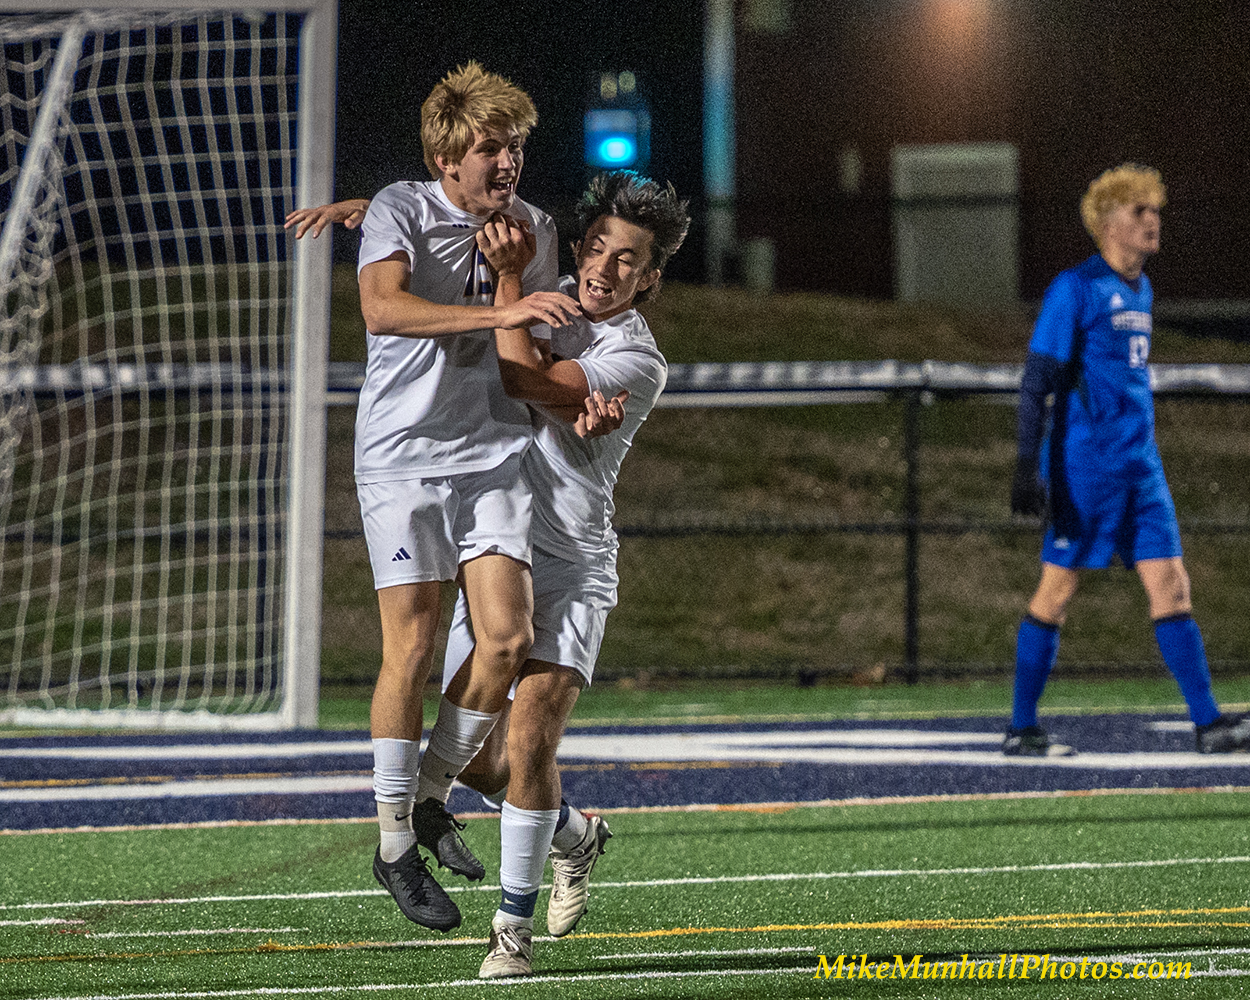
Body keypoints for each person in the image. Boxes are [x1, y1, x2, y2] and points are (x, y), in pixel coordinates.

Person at [286, 61, 582, 935]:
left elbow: (526, 350)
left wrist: (556, 350)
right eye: (490, 148)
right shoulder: (400, 208)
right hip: (404, 460)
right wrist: (499, 311)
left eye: (515, 146)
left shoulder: (531, 229)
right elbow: (383, 310)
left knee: (507, 640)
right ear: (447, 159)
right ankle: (393, 847)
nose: (507, 162)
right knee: (412, 648)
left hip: (493, 457)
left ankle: (424, 797)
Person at [448, 170, 688, 977]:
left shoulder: (636, 358)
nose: (604, 268)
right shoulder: (547, 296)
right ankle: (575, 835)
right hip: (494, 553)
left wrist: (509, 288)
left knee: (531, 735)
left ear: (649, 279)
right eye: (596, 248)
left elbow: (520, 377)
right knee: (473, 761)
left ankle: (509, 933)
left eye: (627, 260)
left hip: (573, 563)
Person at [1007, 163, 1250, 757]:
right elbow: (1038, 379)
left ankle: (1208, 724)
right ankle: (1021, 727)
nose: (1152, 220)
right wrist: (1026, 463)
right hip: (1085, 469)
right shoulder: (1077, 288)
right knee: (1057, 590)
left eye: (1155, 209)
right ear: (1106, 222)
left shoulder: (1143, 289)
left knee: (1171, 584)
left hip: (1141, 467)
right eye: (1139, 210)